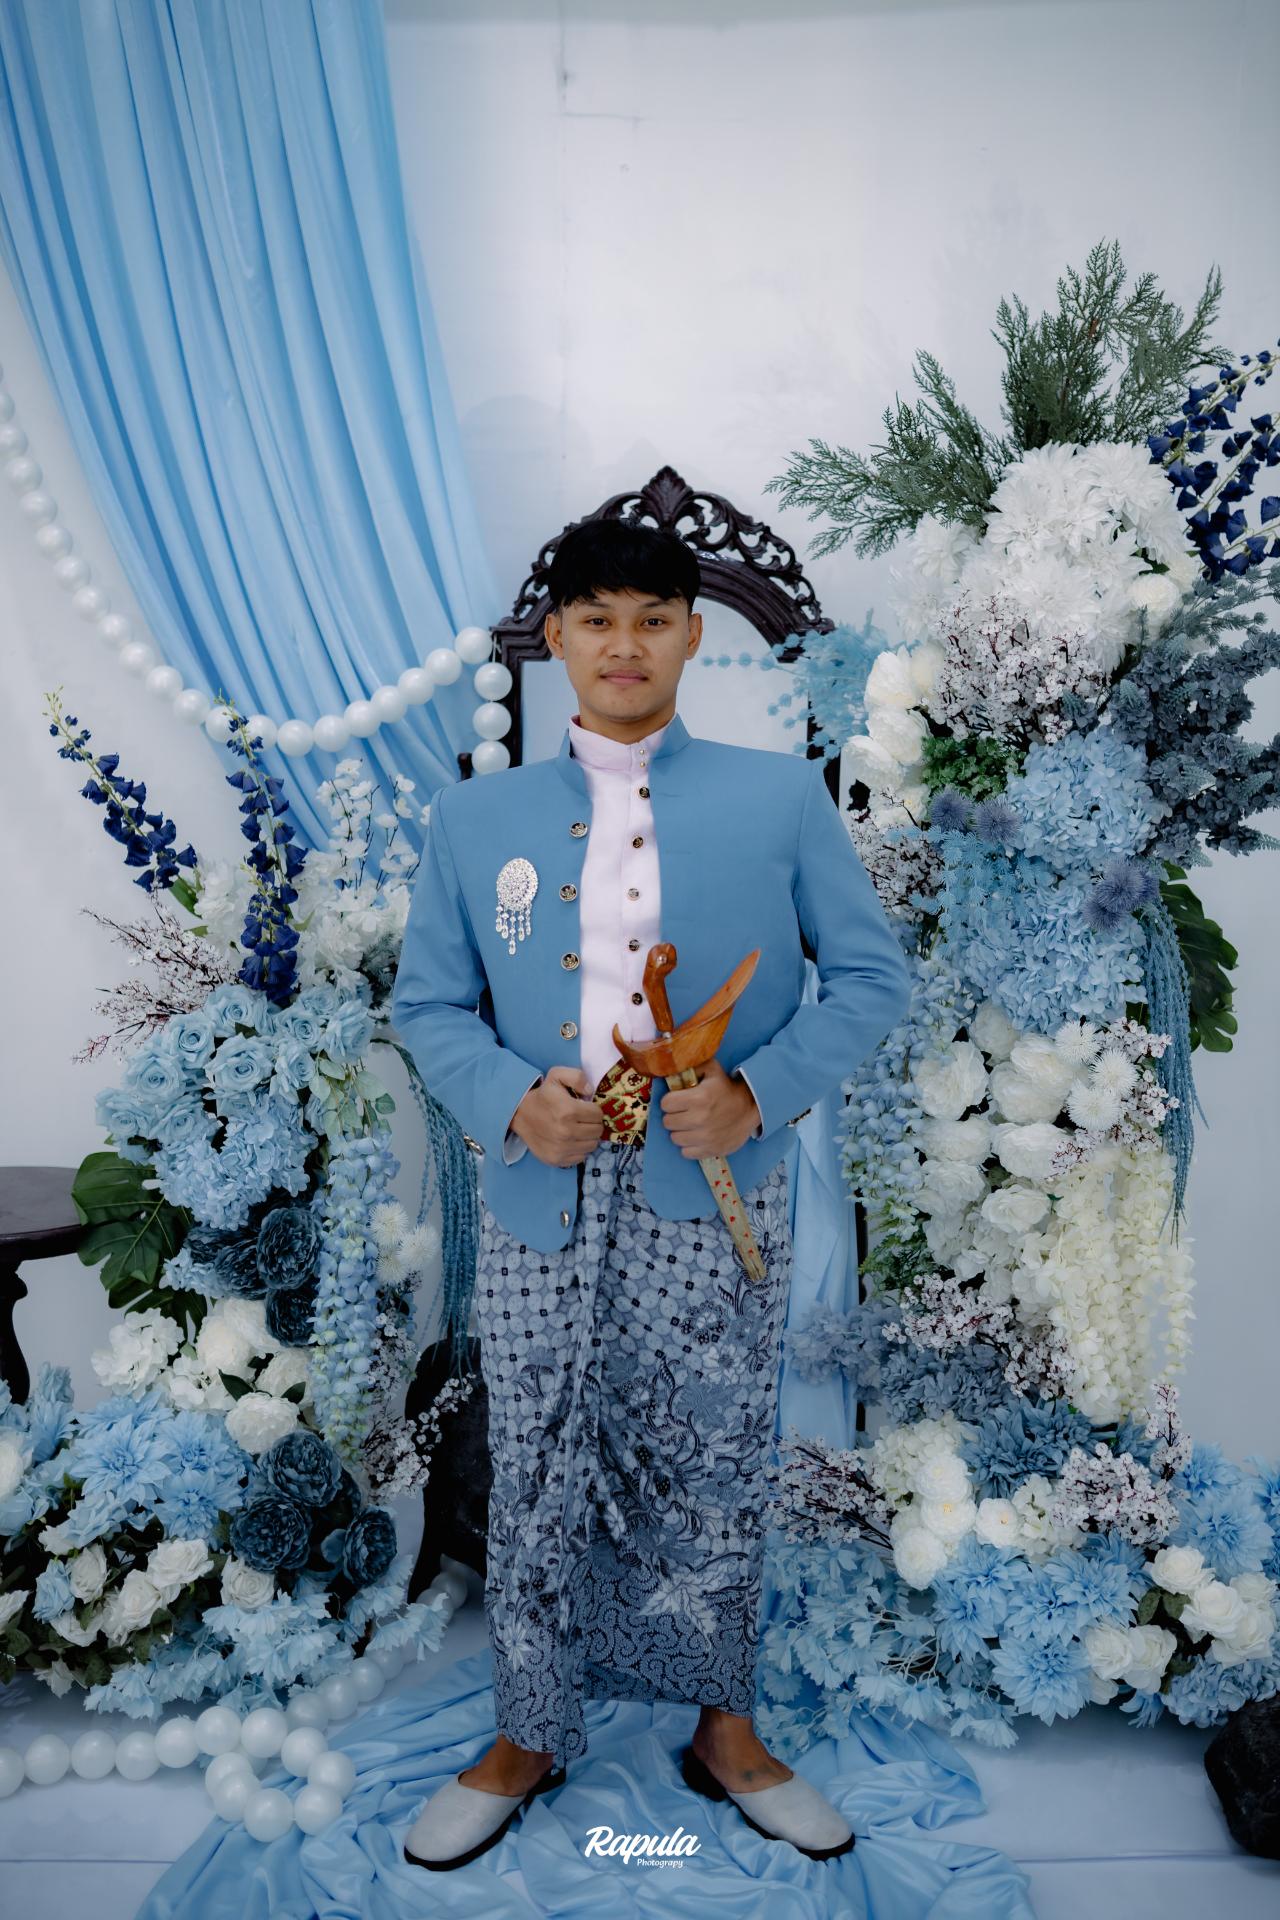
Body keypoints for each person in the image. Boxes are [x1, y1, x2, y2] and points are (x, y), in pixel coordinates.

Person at [390, 517, 912, 1871]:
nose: (625, 645)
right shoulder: (475, 820)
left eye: (653, 619)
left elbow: (871, 978)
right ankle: (528, 1731)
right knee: (538, 1457)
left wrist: (758, 1093)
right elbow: (427, 1003)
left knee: (716, 1453)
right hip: (542, 1187)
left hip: (715, 1182)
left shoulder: (780, 798)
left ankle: (724, 1728)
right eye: (597, 619)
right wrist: (515, 1098)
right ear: (557, 639)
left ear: (692, 637)